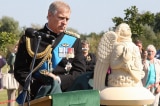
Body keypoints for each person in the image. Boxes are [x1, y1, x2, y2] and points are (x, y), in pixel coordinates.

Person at [14, 0, 86, 102]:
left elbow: (80, 72)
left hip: (65, 96)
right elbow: (20, 70)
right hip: (36, 96)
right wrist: (39, 87)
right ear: (49, 15)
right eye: (61, 18)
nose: (64, 22)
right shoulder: (30, 39)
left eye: (67, 19)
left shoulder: (74, 41)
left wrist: (58, 80)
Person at [93, 23, 145, 90]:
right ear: (120, 31)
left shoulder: (134, 47)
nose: (128, 29)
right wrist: (123, 61)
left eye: (128, 27)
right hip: (120, 81)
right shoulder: (118, 47)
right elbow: (113, 65)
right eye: (125, 28)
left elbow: (138, 64)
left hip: (135, 81)